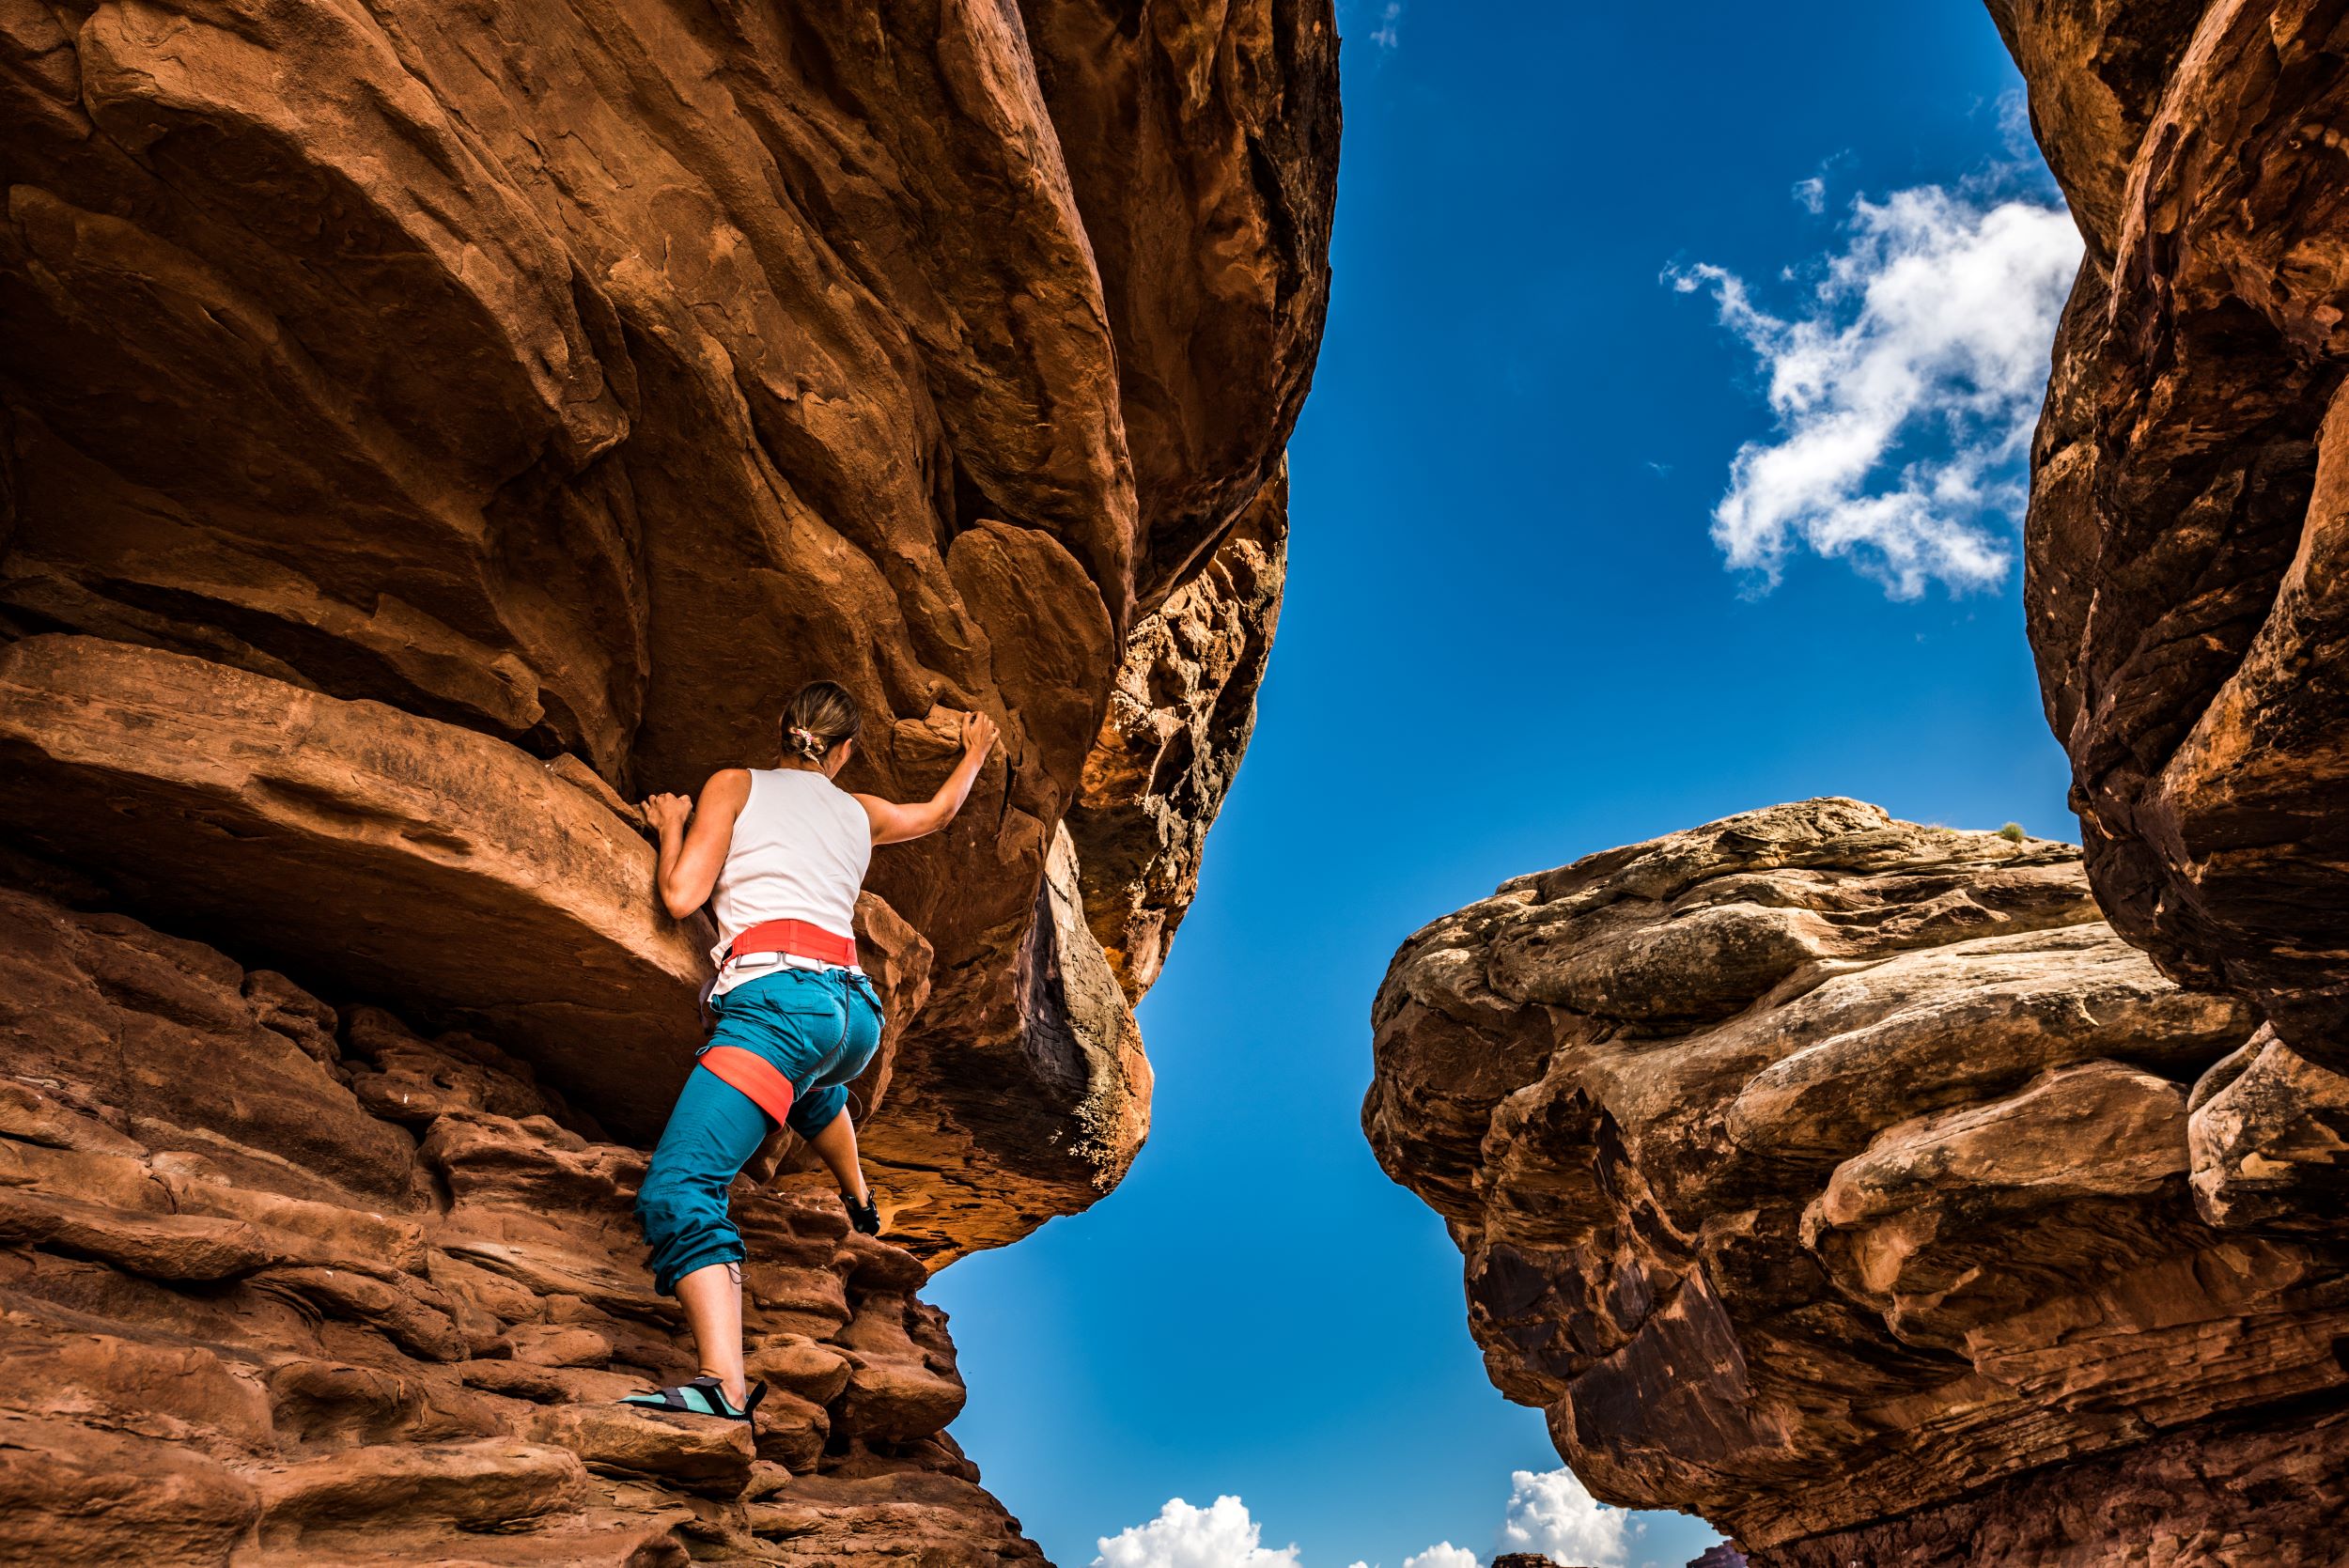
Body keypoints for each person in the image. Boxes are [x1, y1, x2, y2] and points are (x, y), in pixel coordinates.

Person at [620, 681, 997, 1427]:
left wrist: (672, 823)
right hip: (854, 1016)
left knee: (680, 1188)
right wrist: (977, 751)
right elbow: (939, 813)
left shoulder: (735, 784)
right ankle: (860, 1197)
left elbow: (681, 895)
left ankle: (721, 1388)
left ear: (783, 733)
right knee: (808, 1082)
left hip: (779, 999)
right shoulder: (860, 810)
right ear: (846, 750)